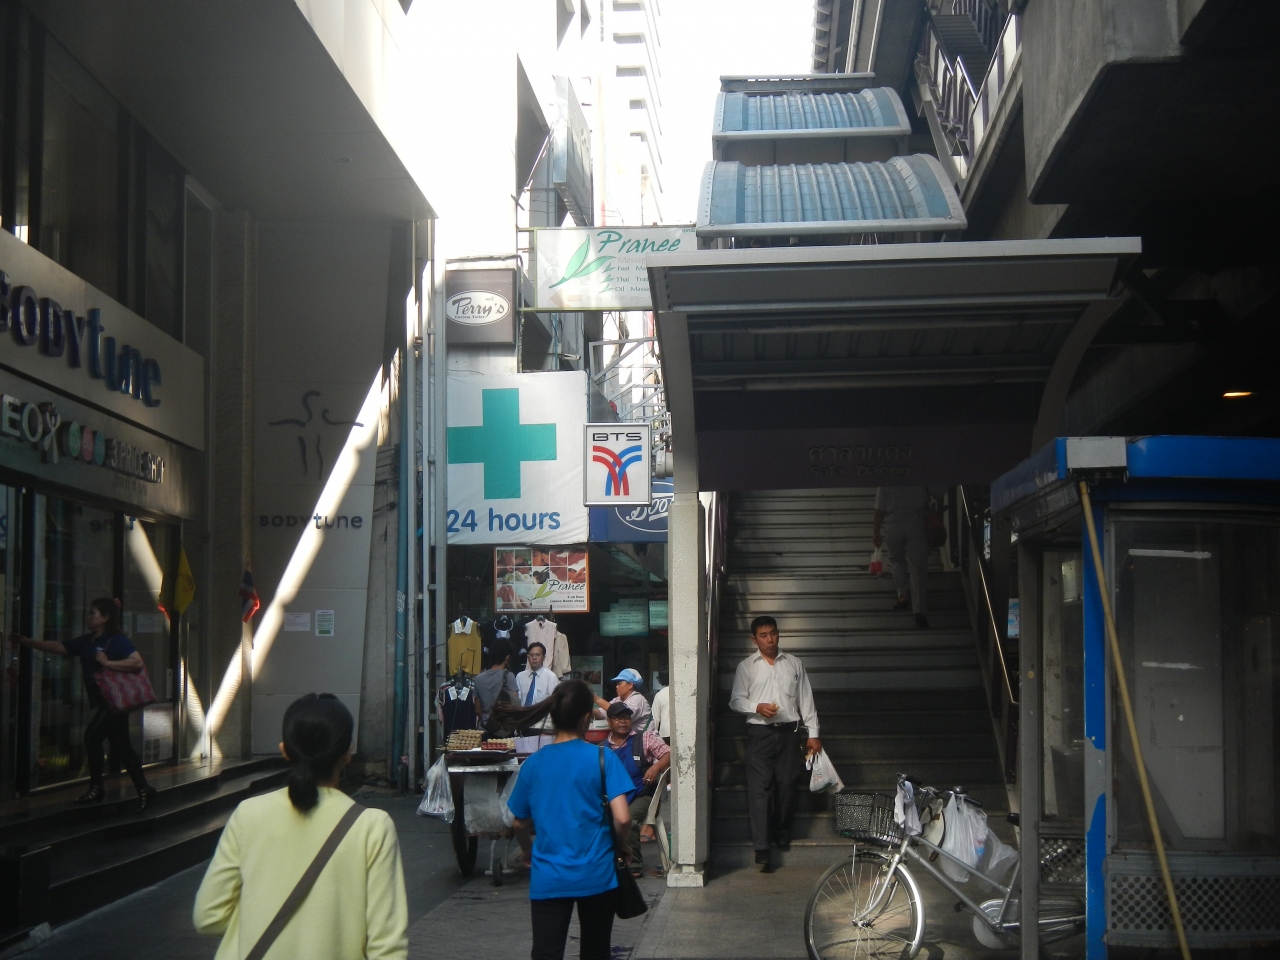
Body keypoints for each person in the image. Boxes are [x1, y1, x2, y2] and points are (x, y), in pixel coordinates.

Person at [193, 693, 408, 960]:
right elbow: (387, 947)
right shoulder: (372, 827)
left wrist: (258, 921)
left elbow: (208, 916)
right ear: (347, 753)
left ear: (284, 750)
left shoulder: (248, 814)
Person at [497, 681, 634, 960]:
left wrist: (528, 851)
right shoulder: (603, 757)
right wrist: (621, 846)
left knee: (546, 953)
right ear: (586, 718)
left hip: (549, 876)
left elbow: (519, 822)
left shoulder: (534, 764)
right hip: (597, 874)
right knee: (596, 952)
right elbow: (622, 818)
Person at [9, 597, 155, 810]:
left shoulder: (115, 640)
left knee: (92, 737)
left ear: (105, 618)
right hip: (106, 702)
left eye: (92, 613)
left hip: (113, 702)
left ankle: (97, 788)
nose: (88, 617)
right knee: (122, 747)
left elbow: (136, 661)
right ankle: (144, 789)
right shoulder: (88, 641)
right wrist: (29, 642)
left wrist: (108, 662)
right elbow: (60, 647)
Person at [728, 616, 821, 873]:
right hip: (759, 734)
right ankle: (762, 847)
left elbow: (806, 700)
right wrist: (756, 707)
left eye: (773, 633)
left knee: (788, 783)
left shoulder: (794, 663)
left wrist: (813, 733)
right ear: (754, 639)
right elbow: (736, 701)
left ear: (778, 634)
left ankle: (781, 828)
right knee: (760, 788)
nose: (769, 639)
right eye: (763, 635)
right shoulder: (746, 667)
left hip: (790, 732)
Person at [604, 701, 670, 873]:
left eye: (626, 717)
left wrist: (656, 767)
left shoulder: (644, 738)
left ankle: (634, 864)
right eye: (618, 718)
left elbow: (669, 753)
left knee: (629, 820)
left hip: (642, 795)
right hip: (615, 797)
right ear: (609, 722)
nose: (623, 721)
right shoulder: (603, 748)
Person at [873, 485, 931, 628]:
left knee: (896, 560)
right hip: (916, 522)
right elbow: (937, 492)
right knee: (917, 567)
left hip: (893, 524)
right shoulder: (919, 476)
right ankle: (919, 609)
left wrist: (876, 532)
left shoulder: (886, 480)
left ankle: (902, 596)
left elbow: (880, 509)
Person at [515, 642, 561, 753]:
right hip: (524, 725)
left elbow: (555, 703)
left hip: (543, 728)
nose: (534, 658)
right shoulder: (520, 676)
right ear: (528, 657)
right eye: (531, 655)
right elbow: (518, 702)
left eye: (537, 655)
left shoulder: (551, 677)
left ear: (543, 657)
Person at [475, 638, 519, 727]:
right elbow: (515, 705)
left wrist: (486, 722)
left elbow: (477, 709)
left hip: (484, 727)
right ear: (507, 657)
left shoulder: (479, 678)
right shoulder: (508, 676)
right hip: (503, 728)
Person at [593, 668, 651, 732]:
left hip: (644, 737)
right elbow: (600, 714)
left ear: (630, 685)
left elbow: (621, 714)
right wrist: (586, 710)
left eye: (619, 683)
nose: (616, 686)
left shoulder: (637, 699)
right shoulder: (618, 699)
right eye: (616, 684)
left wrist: (595, 698)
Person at [650, 673, 671, 744]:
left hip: (665, 734)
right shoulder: (679, 692)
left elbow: (655, 718)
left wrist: (651, 737)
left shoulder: (659, 695)